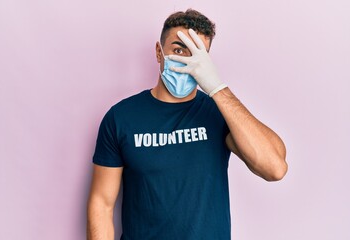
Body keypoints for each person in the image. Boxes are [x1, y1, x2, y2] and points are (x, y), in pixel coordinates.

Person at [87, 9, 287, 240]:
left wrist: (216, 87)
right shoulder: (121, 117)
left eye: (196, 55)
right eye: (178, 50)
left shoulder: (219, 112)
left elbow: (275, 168)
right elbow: (101, 204)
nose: (186, 61)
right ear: (159, 52)